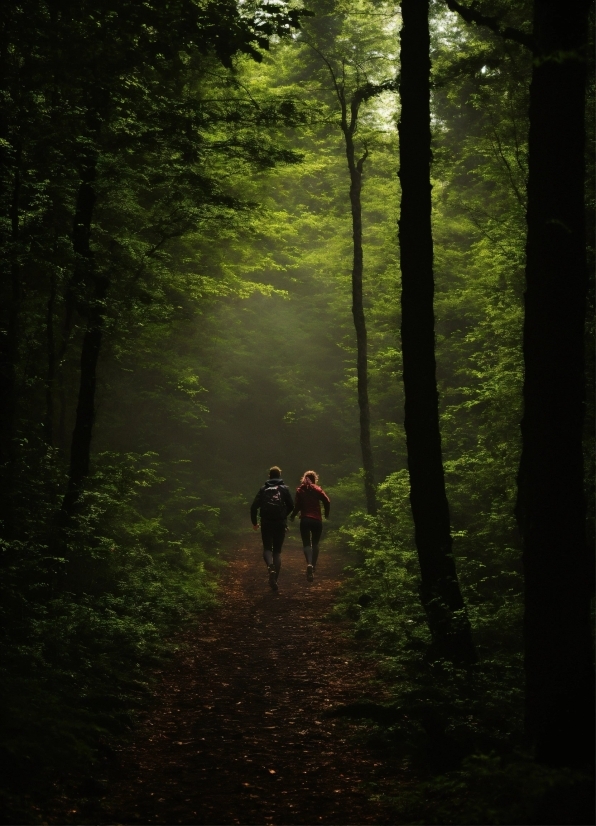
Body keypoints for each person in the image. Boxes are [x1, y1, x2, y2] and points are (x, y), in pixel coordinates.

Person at [250, 466, 294, 591]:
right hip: (280, 523)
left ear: (269, 476)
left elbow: (253, 507)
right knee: (277, 551)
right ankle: (274, 579)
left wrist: (255, 523)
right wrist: (283, 516)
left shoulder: (263, 489)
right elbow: (291, 506)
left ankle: (270, 566)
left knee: (267, 548)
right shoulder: (284, 489)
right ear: (280, 476)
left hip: (266, 523)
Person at [290, 470, 330, 582]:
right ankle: (313, 565)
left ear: (304, 478)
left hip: (305, 520)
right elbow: (327, 501)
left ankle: (309, 564)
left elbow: (297, 506)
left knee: (307, 543)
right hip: (317, 520)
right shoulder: (317, 489)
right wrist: (326, 514)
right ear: (314, 479)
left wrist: (292, 516)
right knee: (315, 543)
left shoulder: (300, 490)